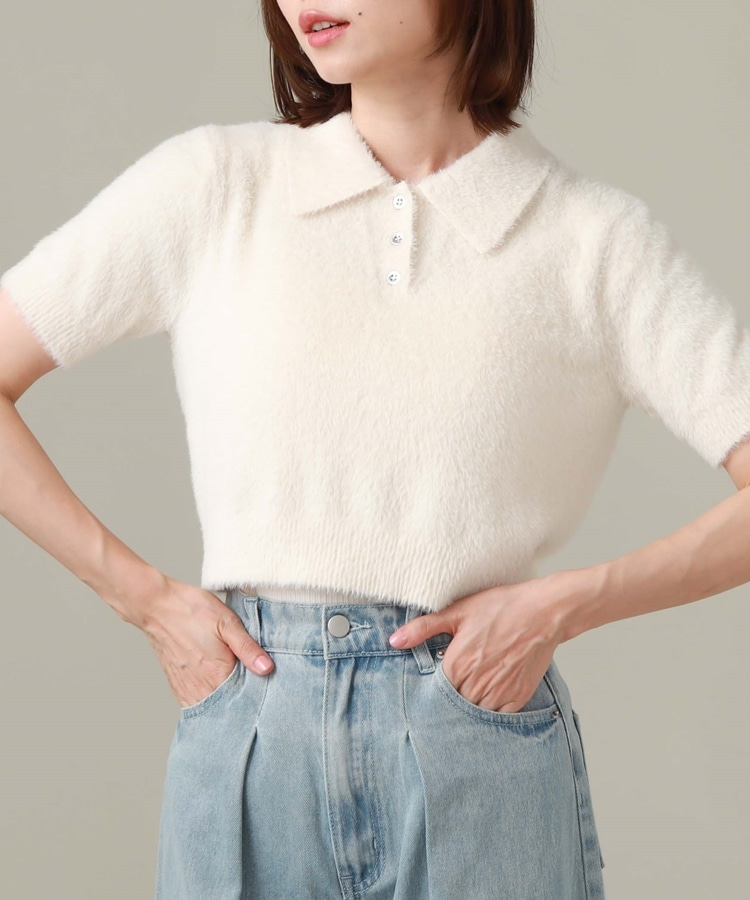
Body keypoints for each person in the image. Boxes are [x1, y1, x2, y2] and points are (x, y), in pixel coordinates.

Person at [2, 1, 750, 898]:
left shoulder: (593, 240)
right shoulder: (218, 186)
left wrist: (563, 606)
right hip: (254, 723)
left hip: (475, 725)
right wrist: (145, 601)